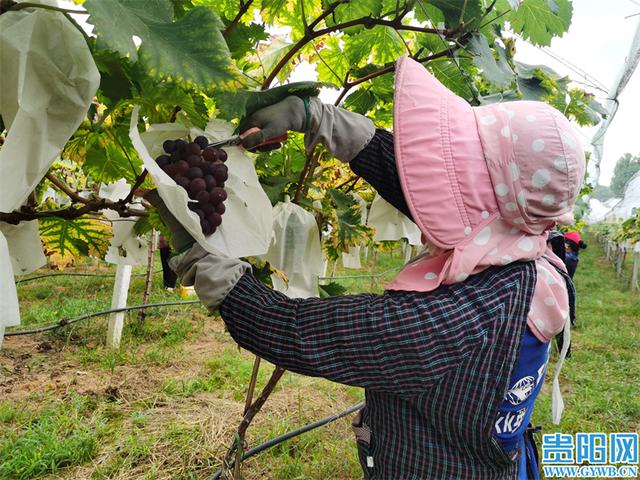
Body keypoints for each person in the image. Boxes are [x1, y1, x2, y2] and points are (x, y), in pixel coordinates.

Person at [146, 55, 581, 479]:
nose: (442, 185)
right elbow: (418, 184)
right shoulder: (528, 250)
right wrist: (314, 117)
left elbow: (293, 330)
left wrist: (201, 259)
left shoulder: (453, 327)